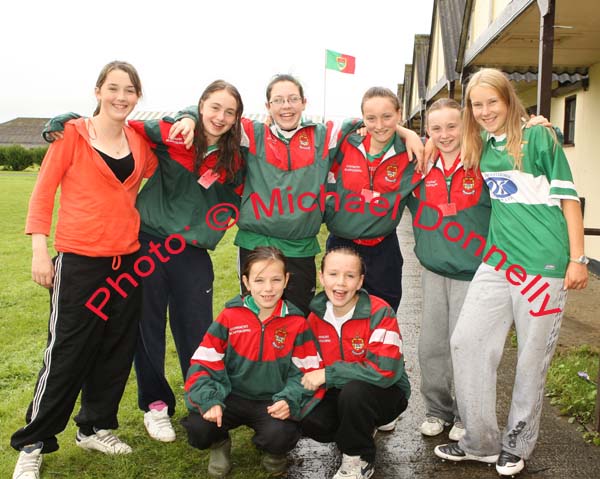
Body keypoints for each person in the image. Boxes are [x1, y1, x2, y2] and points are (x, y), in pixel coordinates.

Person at [41, 80, 246, 443]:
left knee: (197, 330)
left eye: (229, 112)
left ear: (236, 119)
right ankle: (156, 407)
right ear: (200, 106)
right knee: (146, 327)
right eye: (214, 107)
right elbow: (117, 123)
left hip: (192, 253)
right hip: (148, 245)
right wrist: (67, 119)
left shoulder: (235, 160)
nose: (220, 116)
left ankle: (201, 401)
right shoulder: (173, 133)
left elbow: (241, 198)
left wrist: (215, 224)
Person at [433, 68, 588, 476]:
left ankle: (516, 445)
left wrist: (578, 258)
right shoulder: (482, 142)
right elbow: (438, 134)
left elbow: (569, 201)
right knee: (466, 342)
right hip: (498, 261)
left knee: (529, 361)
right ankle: (480, 442)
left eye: (492, 102)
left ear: (509, 100)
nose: (484, 111)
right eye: (477, 104)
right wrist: (413, 135)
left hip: (544, 264)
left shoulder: (538, 137)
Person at [11, 61, 158, 479]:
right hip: (78, 262)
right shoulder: (71, 135)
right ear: (98, 91)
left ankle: (94, 427)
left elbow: (168, 148)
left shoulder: (137, 141)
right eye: (113, 88)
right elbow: (43, 195)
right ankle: (34, 442)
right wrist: (41, 252)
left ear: (137, 97)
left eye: (130, 90)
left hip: (126, 263)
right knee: (67, 352)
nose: (121, 97)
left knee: (115, 348)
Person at [172, 74, 424, 315]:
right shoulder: (250, 132)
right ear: (267, 106)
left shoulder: (326, 135)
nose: (286, 106)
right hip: (255, 244)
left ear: (304, 103)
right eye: (278, 100)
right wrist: (188, 117)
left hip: (300, 247)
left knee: (298, 321)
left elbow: (372, 122)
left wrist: (407, 132)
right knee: (257, 318)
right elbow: (216, 115)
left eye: (293, 99)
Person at [181, 246, 324, 478]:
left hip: (272, 400)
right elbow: (203, 363)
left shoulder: (297, 322)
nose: (268, 288)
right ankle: (219, 444)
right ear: (246, 282)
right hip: (231, 396)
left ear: (286, 280)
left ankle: (272, 450)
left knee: (281, 434)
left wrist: (289, 399)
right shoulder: (230, 316)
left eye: (276, 279)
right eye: (259, 280)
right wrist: (210, 400)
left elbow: (308, 372)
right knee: (200, 426)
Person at [407, 98, 490, 441]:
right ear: (426, 131)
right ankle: (436, 410)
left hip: (474, 273)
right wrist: (402, 130)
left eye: (452, 126)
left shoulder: (485, 159)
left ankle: (464, 414)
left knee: (466, 346)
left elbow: (525, 144)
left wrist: (540, 124)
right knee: (431, 345)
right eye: (436, 128)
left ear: (466, 125)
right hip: (434, 270)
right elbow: (368, 131)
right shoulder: (420, 164)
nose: (445, 134)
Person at [300, 247, 410, 479]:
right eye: (333, 274)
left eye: (349, 276)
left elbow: (385, 371)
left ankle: (358, 457)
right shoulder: (314, 317)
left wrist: (330, 373)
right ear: (321, 277)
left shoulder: (380, 312)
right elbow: (307, 367)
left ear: (360, 281)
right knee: (311, 419)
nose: (340, 283)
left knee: (355, 392)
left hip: (385, 392)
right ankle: (357, 428)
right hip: (340, 393)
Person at [324, 86, 423, 312]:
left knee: (384, 314)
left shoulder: (412, 153)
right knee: (341, 314)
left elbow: (447, 140)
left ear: (399, 114)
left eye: (387, 117)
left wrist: (409, 134)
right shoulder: (346, 142)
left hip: (383, 248)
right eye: (371, 118)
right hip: (341, 245)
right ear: (363, 119)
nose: (379, 125)